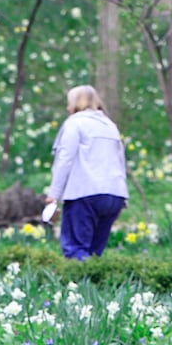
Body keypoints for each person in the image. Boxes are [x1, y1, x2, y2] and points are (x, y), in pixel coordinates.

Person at [44, 85, 129, 261]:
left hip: (84, 192)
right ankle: (97, 285)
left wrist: (54, 195)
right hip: (114, 194)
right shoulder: (110, 125)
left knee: (75, 250)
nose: (67, 108)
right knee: (94, 253)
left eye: (69, 104)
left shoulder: (75, 124)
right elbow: (120, 161)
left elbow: (64, 159)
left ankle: (80, 286)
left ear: (76, 104)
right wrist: (122, 198)